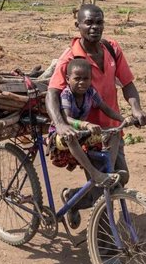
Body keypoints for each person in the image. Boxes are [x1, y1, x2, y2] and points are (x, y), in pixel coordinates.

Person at [47, 4, 146, 225]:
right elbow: (52, 93)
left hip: (112, 129)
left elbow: (128, 84)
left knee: (121, 177)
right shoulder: (70, 59)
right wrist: (61, 124)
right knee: (105, 187)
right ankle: (106, 249)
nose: (94, 27)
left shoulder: (112, 48)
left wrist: (136, 109)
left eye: (99, 22)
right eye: (89, 23)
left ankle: (73, 200)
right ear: (78, 26)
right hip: (88, 135)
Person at [50, 58, 124, 189]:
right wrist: (86, 125)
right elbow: (67, 119)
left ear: (91, 79)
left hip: (82, 133)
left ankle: (109, 170)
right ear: (68, 79)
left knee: (114, 133)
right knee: (71, 137)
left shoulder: (90, 92)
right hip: (62, 134)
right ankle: (95, 174)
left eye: (86, 79)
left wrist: (122, 119)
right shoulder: (66, 94)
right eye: (77, 79)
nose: (82, 82)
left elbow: (105, 108)